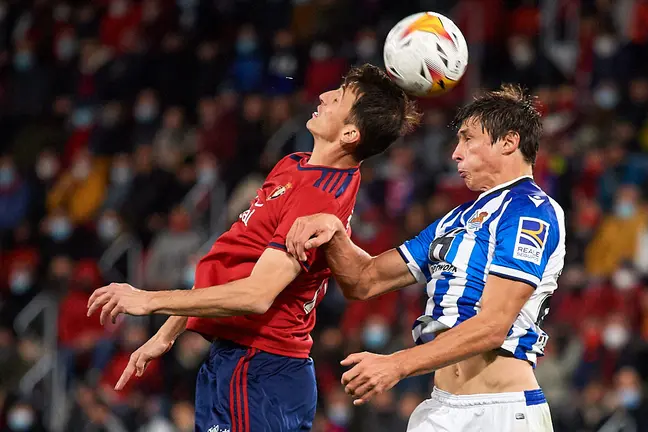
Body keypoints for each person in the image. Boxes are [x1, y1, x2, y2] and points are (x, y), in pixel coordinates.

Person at [86, 64, 420, 432]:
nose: (323, 96)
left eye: (338, 98)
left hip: (262, 367)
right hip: (235, 361)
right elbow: (234, 257)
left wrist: (148, 300)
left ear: (350, 133)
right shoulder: (294, 166)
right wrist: (167, 334)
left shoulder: (318, 198)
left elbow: (257, 295)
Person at [285, 84, 564, 431]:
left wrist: (396, 365)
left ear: (508, 142)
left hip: (501, 411)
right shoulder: (456, 219)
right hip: (441, 407)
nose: (456, 154)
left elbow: (494, 326)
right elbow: (365, 279)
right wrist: (334, 230)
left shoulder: (530, 211)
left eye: (467, 139)